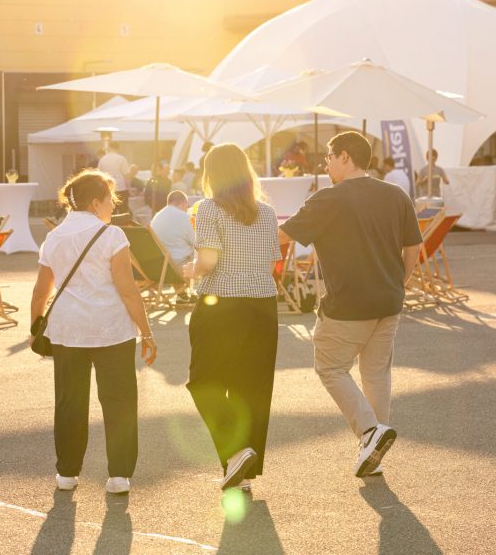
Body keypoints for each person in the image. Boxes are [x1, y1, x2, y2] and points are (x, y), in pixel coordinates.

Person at [280, 131, 423, 478]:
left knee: (330, 368)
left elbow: (283, 235)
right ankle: (373, 448)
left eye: (328, 157)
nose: (326, 164)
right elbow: (413, 248)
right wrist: (398, 283)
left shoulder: (328, 198)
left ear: (345, 156)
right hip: (389, 299)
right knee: (376, 374)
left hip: (347, 303)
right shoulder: (396, 195)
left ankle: (370, 432)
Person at [30, 169, 157, 495]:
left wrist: (35, 327)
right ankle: (119, 475)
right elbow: (128, 290)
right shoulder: (112, 235)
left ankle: (67, 472)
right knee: (119, 401)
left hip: (67, 330)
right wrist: (146, 333)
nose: (114, 205)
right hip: (111, 328)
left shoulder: (54, 237)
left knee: (69, 401)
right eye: (110, 200)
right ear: (95, 202)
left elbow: (41, 291)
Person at [182, 143, 281, 492]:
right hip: (263, 304)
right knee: (251, 387)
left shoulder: (209, 208)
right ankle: (242, 474)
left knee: (204, 382)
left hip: (221, 302)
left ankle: (236, 452)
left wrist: (191, 269)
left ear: (213, 173)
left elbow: (208, 261)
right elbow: (272, 262)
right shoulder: (267, 212)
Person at [150, 190, 196, 303]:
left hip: (158, 266)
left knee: (176, 249)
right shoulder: (185, 217)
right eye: (186, 207)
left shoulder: (157, 216)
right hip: (177, 267)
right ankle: (198, 292)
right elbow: (197, 242)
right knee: (203, 252)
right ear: (183, 203)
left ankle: (181, 294)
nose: (187, 209)